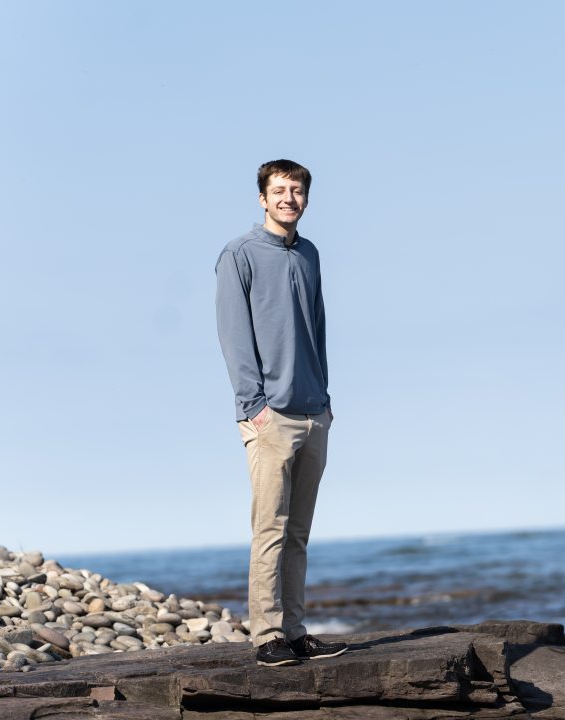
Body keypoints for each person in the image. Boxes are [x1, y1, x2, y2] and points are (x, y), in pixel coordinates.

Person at [215, 159, 348, 667]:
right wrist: (254, 407)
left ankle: (294, 631)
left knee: (299, 532)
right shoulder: (239, 254)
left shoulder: (309, 254)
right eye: (278, 190)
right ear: (262, 198)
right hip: (269, 417)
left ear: (306, 199)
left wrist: (326, 398)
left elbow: (317, 326)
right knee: (270, 527)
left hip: (315, 412)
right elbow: (233, 336)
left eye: (296, 190)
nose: (287, 198)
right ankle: (267, 635)